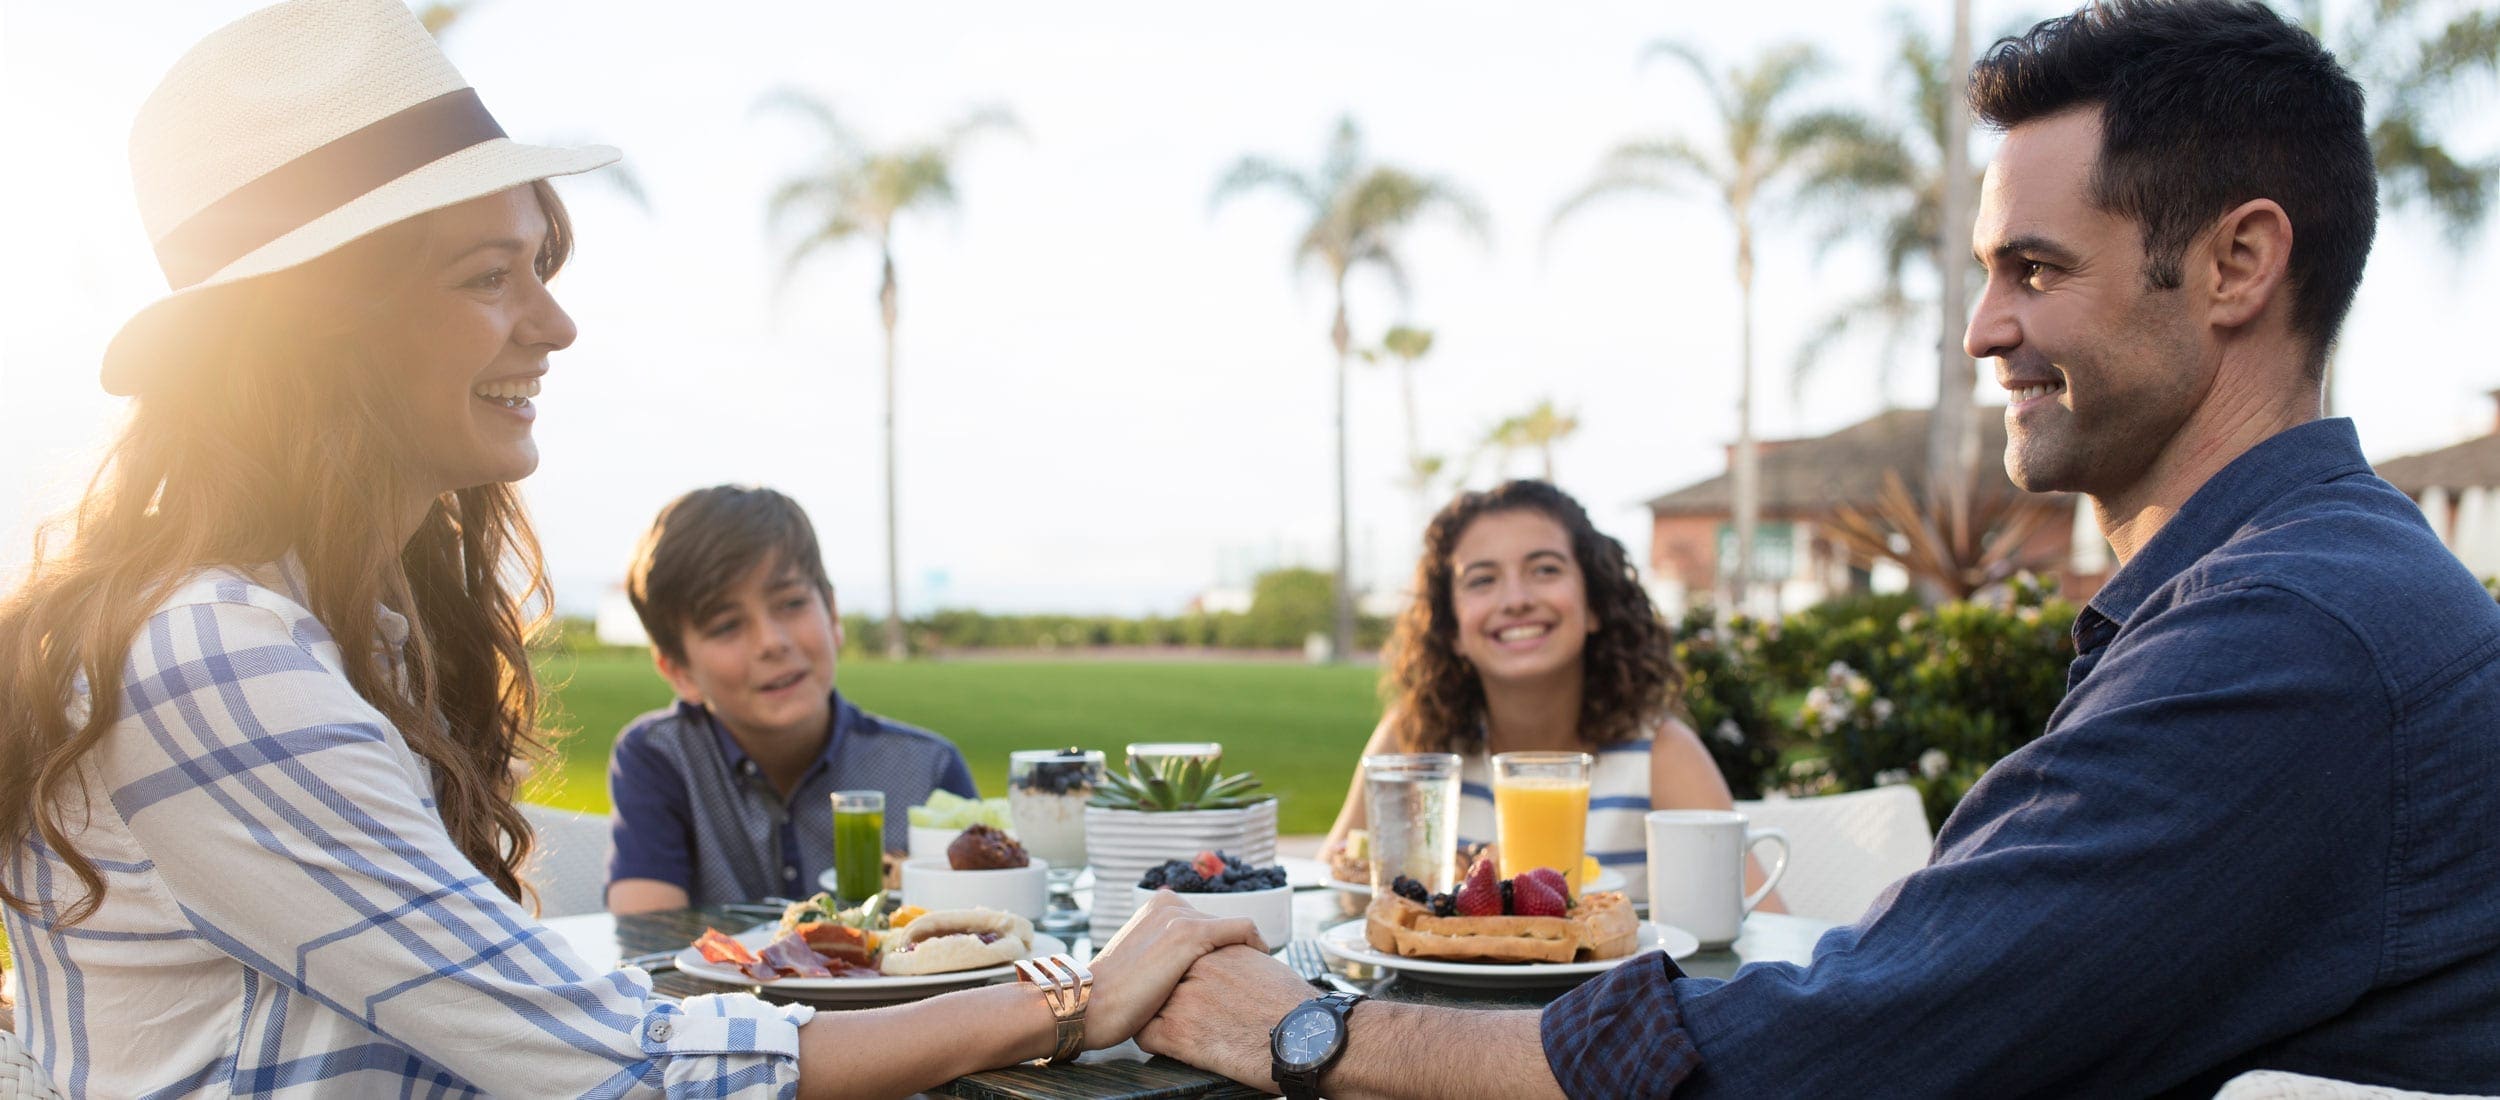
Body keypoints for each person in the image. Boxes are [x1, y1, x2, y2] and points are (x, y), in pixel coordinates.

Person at [1138, 2, 2500, 1096]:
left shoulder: (2293, 634)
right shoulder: (2288, 592)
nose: (1980, 330)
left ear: (2235, 266)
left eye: (2033, 269)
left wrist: (1309, 1035)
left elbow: (1840, 1052)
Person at [0, 2, 1254, 1096]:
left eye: (540, 262)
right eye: (492, 273)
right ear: (320, 334)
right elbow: (624, 1066)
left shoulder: (341, 635)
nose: (555, 321)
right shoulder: (215, 658)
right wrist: (1074, 994)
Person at [1318, 480, 1776, 907]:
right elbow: (1332, 889)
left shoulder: (1661, 754)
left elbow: (1761, 922)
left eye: (1544, 569)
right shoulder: (1414, 740)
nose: (1515, 599)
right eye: (1482, 579)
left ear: (1595, 603)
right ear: (1451, 626)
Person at [606, 485, 978, 914]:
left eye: (792, 603)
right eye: (726, 626)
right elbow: (643, 936)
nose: (771, 642)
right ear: (679, 671)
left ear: (833, 615)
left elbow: (986, 930)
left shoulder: (927, 770)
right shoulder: (662, 757)